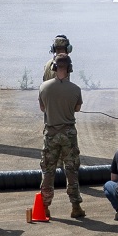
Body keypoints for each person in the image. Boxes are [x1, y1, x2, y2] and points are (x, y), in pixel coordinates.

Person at [38, 53, 85, 219]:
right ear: (70, 68)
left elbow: (43, 108)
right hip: (68, 133)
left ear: (54, 67)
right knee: (71, 170)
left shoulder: (44, 87)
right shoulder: (76, 89)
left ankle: (44, 207)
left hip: (50, 133)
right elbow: (77, 109)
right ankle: (76, 206)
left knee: (48, 171)